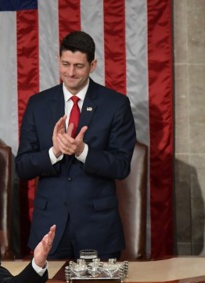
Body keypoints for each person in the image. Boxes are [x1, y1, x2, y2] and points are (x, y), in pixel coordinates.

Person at [16, 31, 136, 260]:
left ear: (93, 65)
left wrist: (83, 152)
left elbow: (121, 166)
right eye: (65, 64)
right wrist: (54, 152)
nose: (70, 73)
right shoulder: (38, 104)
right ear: (58, 61)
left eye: (79, 66)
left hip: (98, 230)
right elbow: (22, 167)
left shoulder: (116, 105)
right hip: (49, 228)